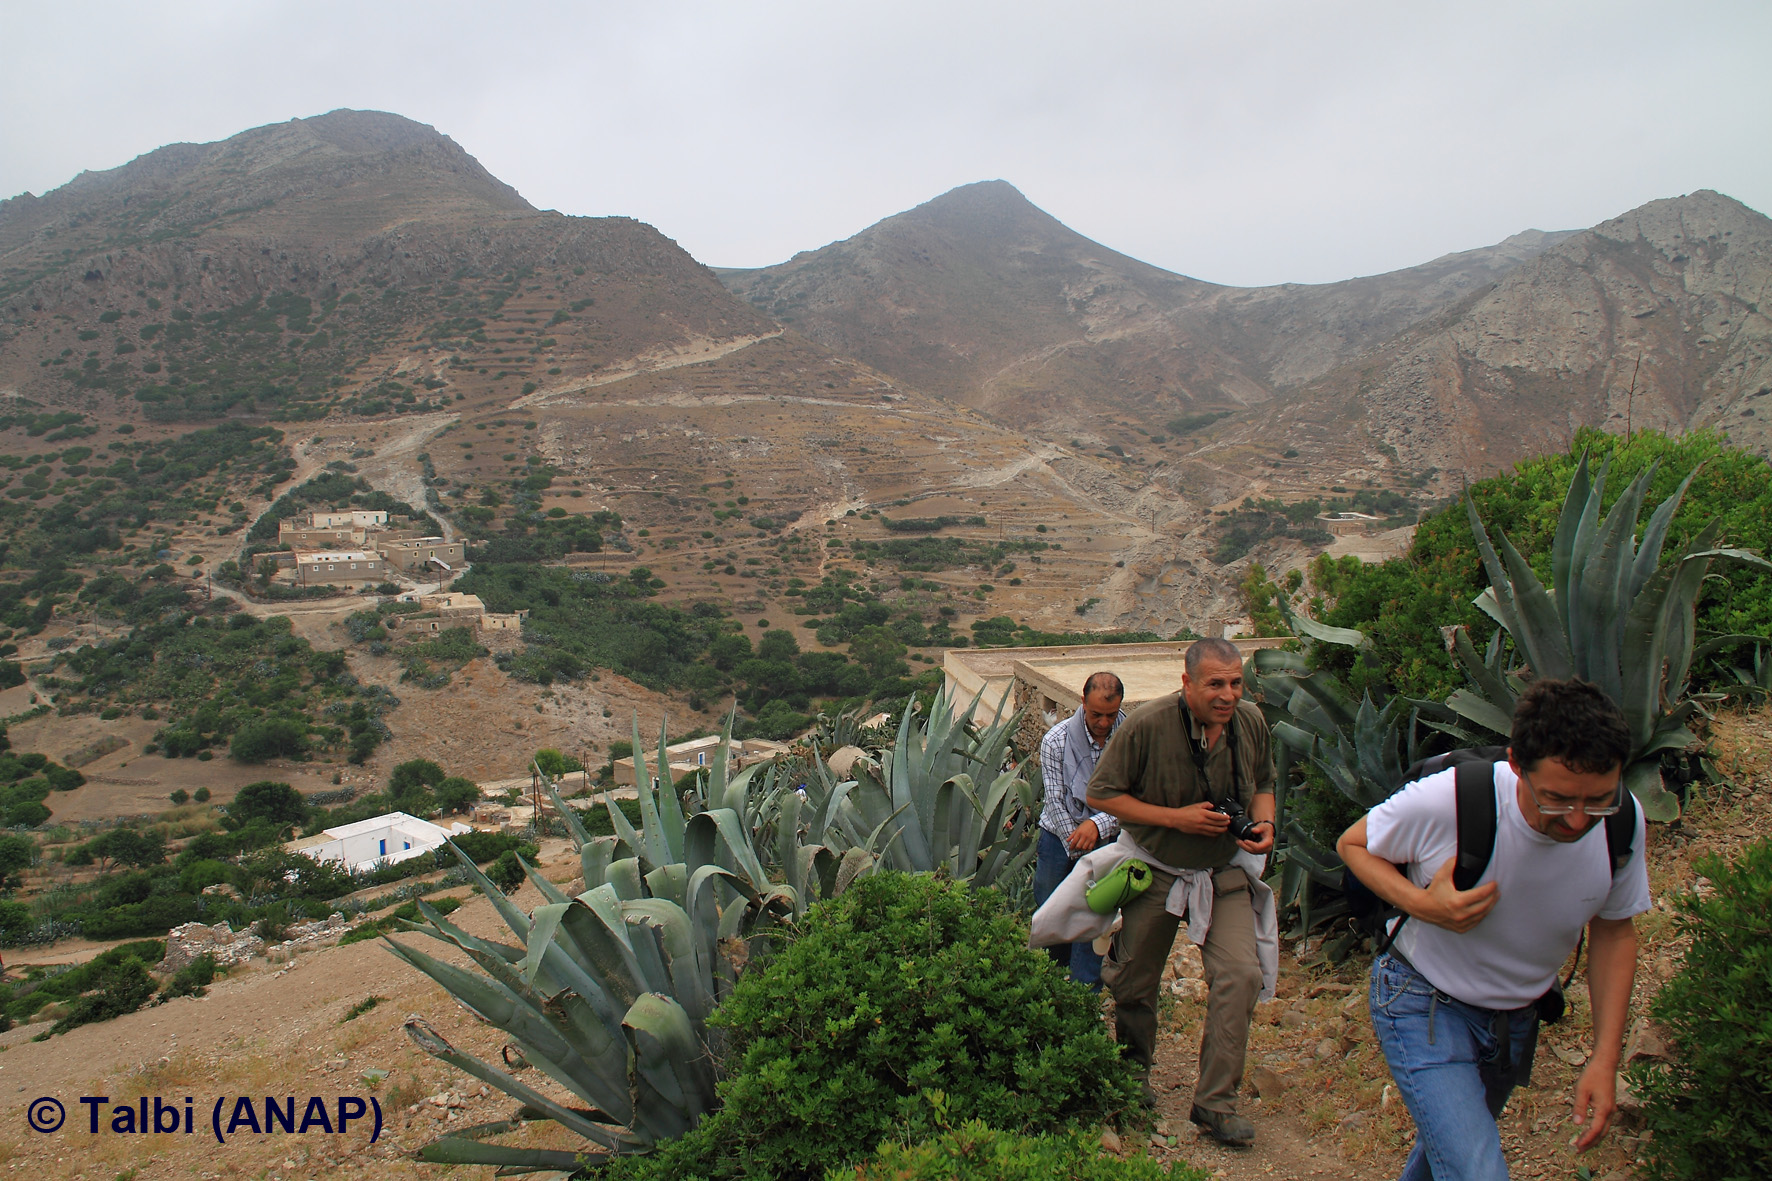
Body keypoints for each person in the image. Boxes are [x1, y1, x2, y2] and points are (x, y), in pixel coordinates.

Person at [1336, 678, 1649, 1181]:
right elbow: (1352, 844)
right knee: (1476, 1171)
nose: (1576, 821)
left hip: (1514, 1024)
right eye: (1556, 800)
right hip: (1423, 1002)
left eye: (1597, 801)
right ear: (1517, 766)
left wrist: (1604, 1059)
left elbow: (1614, 932)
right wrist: (1424, 905)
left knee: (1447, 1162)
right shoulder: (1454, 800)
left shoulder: (1622, 822)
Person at [1086, 637, 1275, 1145]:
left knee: (1241, 974)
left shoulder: (1251, 722)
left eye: (1236, 683)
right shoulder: (1148, 725)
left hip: (1223, 872)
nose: (1227, 694)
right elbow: (1101, 794)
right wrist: (1177, 819)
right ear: (1187, 681)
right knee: (1134, 979)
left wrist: (1264, 824)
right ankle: (1132, 1075)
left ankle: (1215, 1103)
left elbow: (1264, 782)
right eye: (1215, 683)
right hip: (1156, 868)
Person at [1034, 670, 1129, 988]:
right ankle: (1052, 981)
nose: (1103, 723)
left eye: (1111, 715)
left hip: (1107, 839)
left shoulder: (1129, 737)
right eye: (1096, 714)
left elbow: (1133, 796)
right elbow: (1055, 798)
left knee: (1096, 915)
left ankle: (1084, 989)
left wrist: (1096, 825)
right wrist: (1077, 842)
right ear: (1082, 704)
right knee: (1053, 908)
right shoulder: (1055, 741)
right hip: (1058, 838)